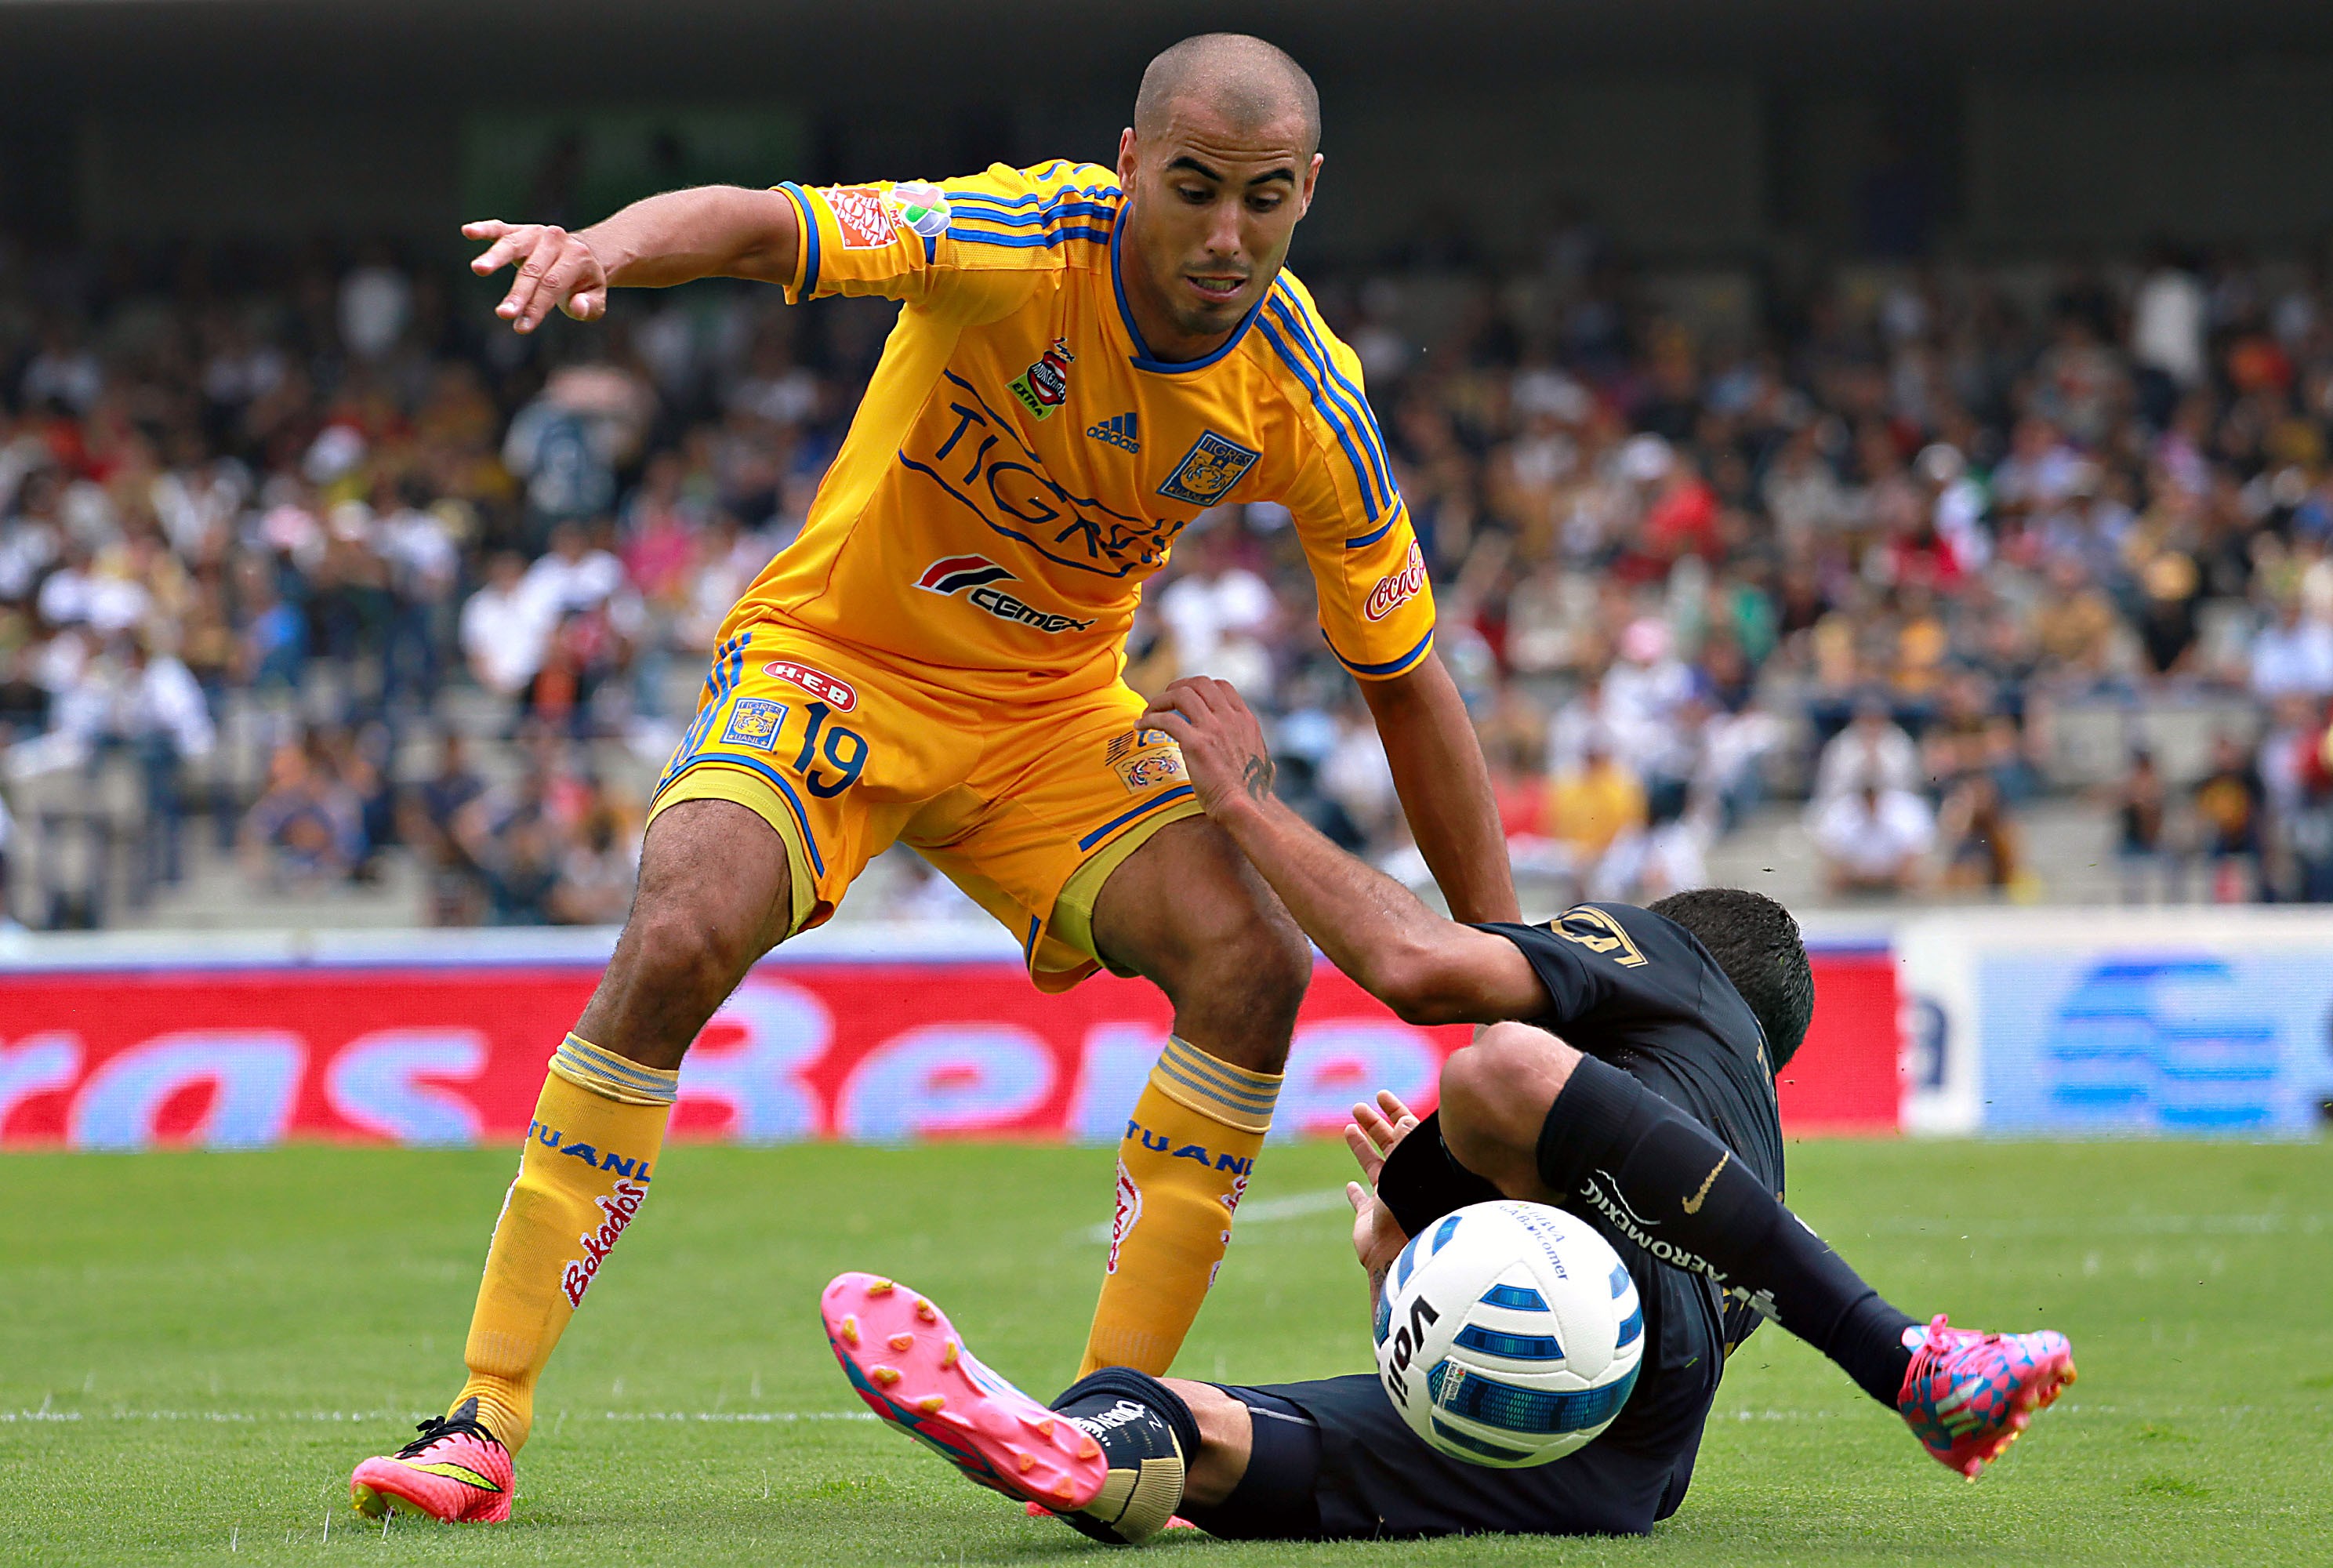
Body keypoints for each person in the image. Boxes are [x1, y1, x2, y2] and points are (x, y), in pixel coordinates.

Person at [349, 32, 1515, 1524]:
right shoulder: (1020, 236)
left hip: (1046, 722)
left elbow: (1407, 682)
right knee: (685, 925)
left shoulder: (1302, 394)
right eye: (1195, 187)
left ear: (1310, 195)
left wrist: (1505, 963)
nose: (1227, 234)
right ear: (1128, 163)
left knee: (1249, 960)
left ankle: (1104, 1436)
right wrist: (598, 249)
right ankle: (483, 1415)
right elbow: (773, 225)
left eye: (1267, 199)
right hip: (837, 666)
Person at [824, 684, 2072, 1541]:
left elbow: (1421, 969)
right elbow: (1522, 1339)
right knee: (1198, 1436)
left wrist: (1245, 803)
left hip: (1607, 1362)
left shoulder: (1669, 960)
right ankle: (1087, 1448)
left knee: (1492, 1067)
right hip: (1618, 1472)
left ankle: (1909, 1359)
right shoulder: (1748, 1176)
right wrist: (1400, 1260)